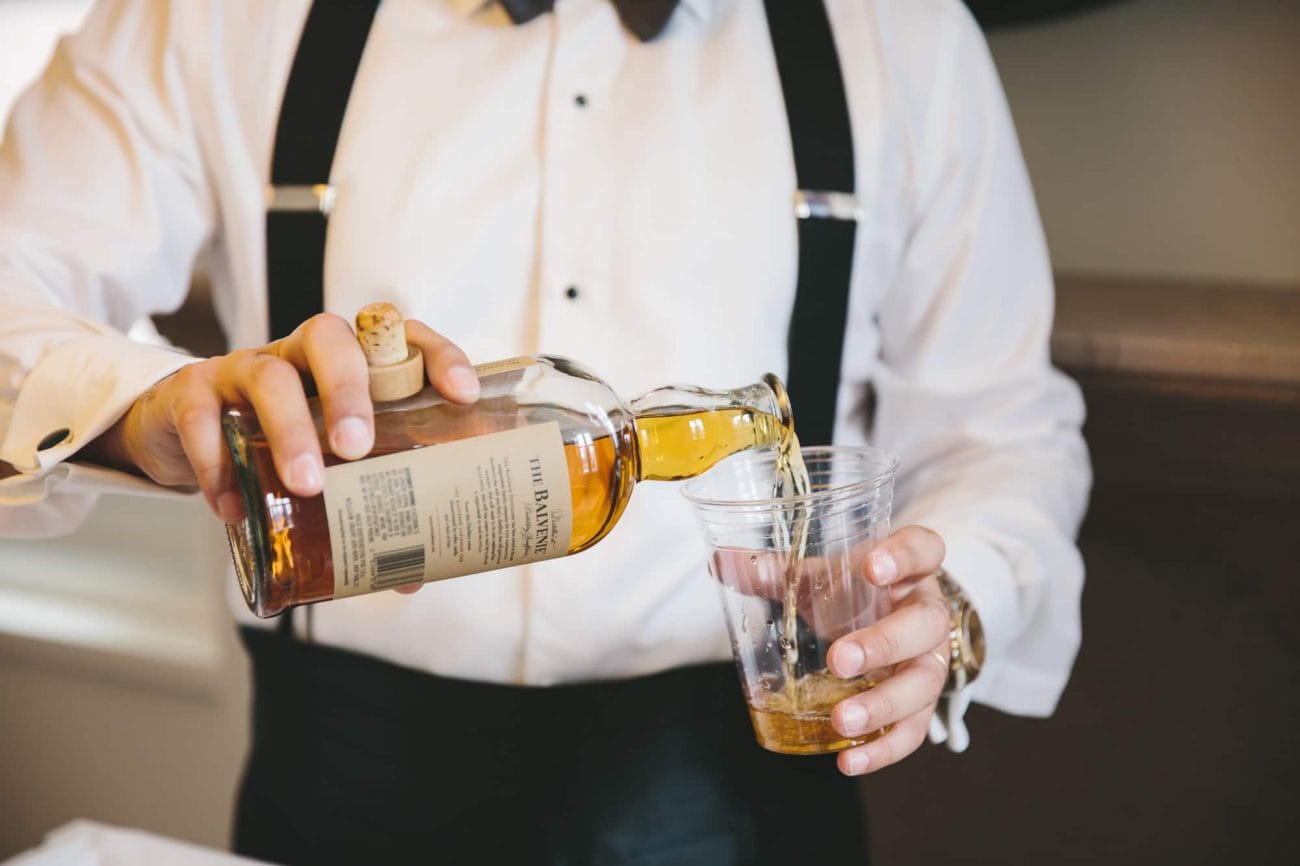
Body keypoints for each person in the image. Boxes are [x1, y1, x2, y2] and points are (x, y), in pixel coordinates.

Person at [0, 0, 1090, 863]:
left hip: (745, 802)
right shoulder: (215, 15)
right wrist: (148, 409)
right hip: (339, 789)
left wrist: (953, 602)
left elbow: (1004, 426)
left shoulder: (903, 35)